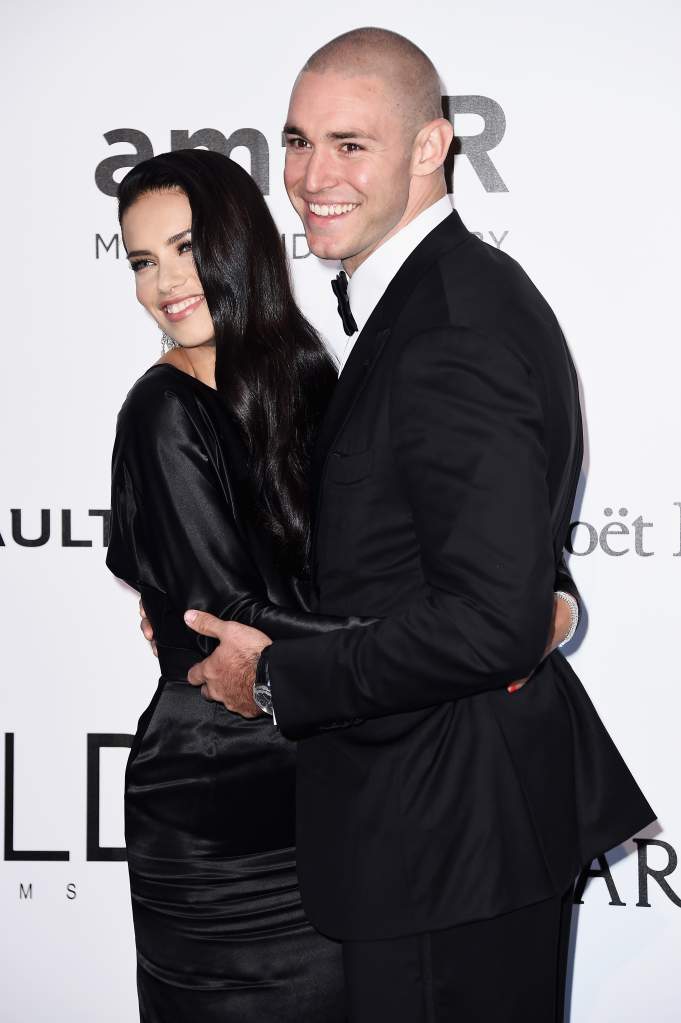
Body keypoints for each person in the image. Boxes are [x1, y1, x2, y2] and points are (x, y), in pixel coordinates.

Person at [180, 27, 656, 1022]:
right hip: (444, 830)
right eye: (297, 142)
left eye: (351, 144)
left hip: (444, 840)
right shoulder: (439, 303)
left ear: (432, 147)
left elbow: (482, 620)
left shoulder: (449, 324)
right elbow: (477, 557)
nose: (312, 176)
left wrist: (272, 678)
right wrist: (549, 600)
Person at [106, 149, 361, 1021]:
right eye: (143, 261)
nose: (165, 282)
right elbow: (230, 619)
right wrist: (425, 643)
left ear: (240, 244)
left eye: (184, 247)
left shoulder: (306, 379)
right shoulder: (161, 410)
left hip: (330, 777)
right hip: (220, 802)